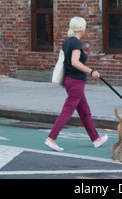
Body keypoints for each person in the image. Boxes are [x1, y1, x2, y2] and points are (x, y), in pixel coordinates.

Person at [45, 17, 108, 152]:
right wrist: (92, 72)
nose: (86, 29)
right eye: (85, 27)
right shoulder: (76, 43)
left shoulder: (67, 42)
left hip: (71, 80)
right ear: (82, 29)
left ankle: (96, 139)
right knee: (68, 110)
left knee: (85, 111)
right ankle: (51, 138)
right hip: (75, 82)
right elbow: (75, 62)